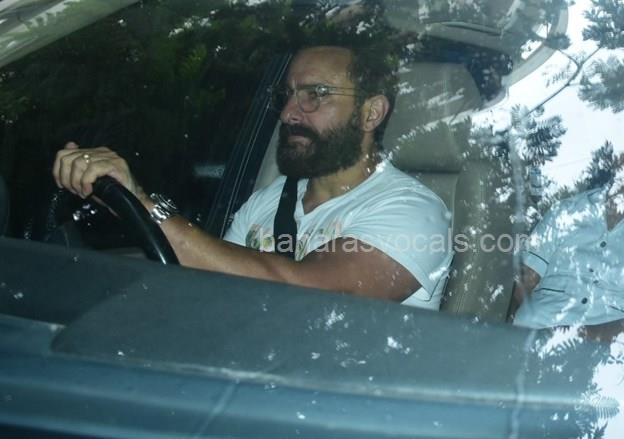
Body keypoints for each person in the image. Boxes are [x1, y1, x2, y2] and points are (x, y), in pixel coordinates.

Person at [51, 44, 453, 310]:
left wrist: (144, 204)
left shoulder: (414, 211)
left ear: (371, 113)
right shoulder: (269, 200)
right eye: (286, 96)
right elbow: (216, 289)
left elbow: (312, 294)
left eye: (316, 94)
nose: (289, 114)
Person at [512, 147, 624, 331]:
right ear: (613, 165)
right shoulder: (565, 211)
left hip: (614, 333)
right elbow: (525, 282)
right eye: (623, 165)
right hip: (544, 325)